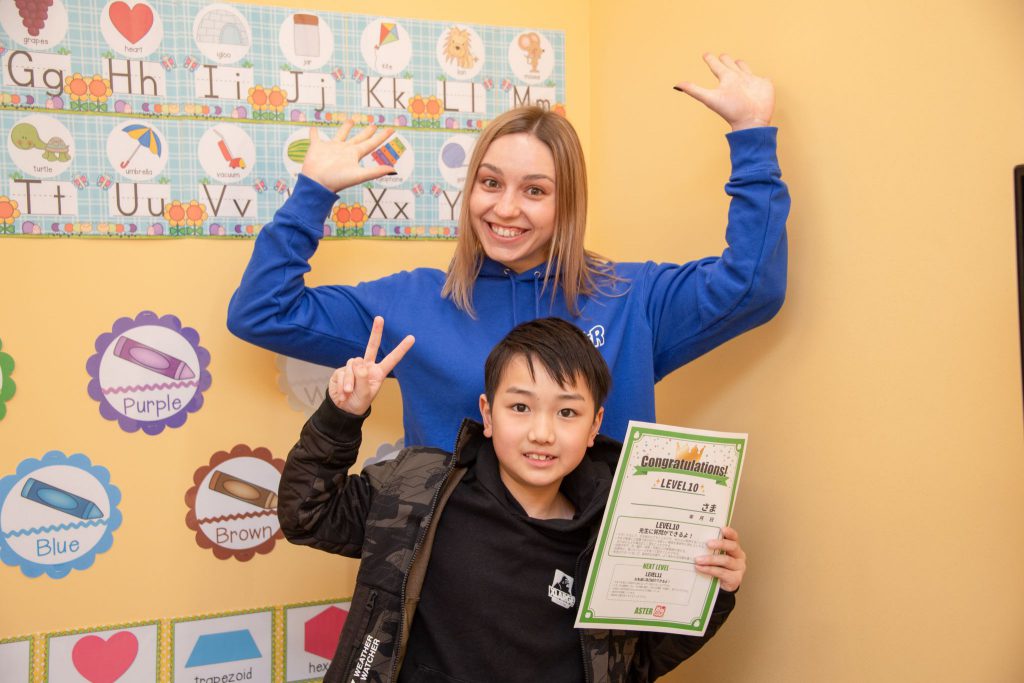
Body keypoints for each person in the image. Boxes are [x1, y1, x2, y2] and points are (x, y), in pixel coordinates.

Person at [228, 54, 788, 451]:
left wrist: (751, 137)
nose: (506, 208)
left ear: (567, 203)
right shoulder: (412, 305)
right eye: (491, 183)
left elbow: (752, 288)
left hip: (596, 577)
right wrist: (313, 194)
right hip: (459, 574)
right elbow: (263, 312)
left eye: (535, 191)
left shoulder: (631, 298)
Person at [278, 316, 747, 682]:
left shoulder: (616, 532)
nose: (542, 433)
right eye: (520, 407)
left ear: (594, 426)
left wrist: (711, 593)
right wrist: (342, 415)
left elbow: (637, 664)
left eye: (567, 412)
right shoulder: (418, 489)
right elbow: (307, 515)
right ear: (488, 414)